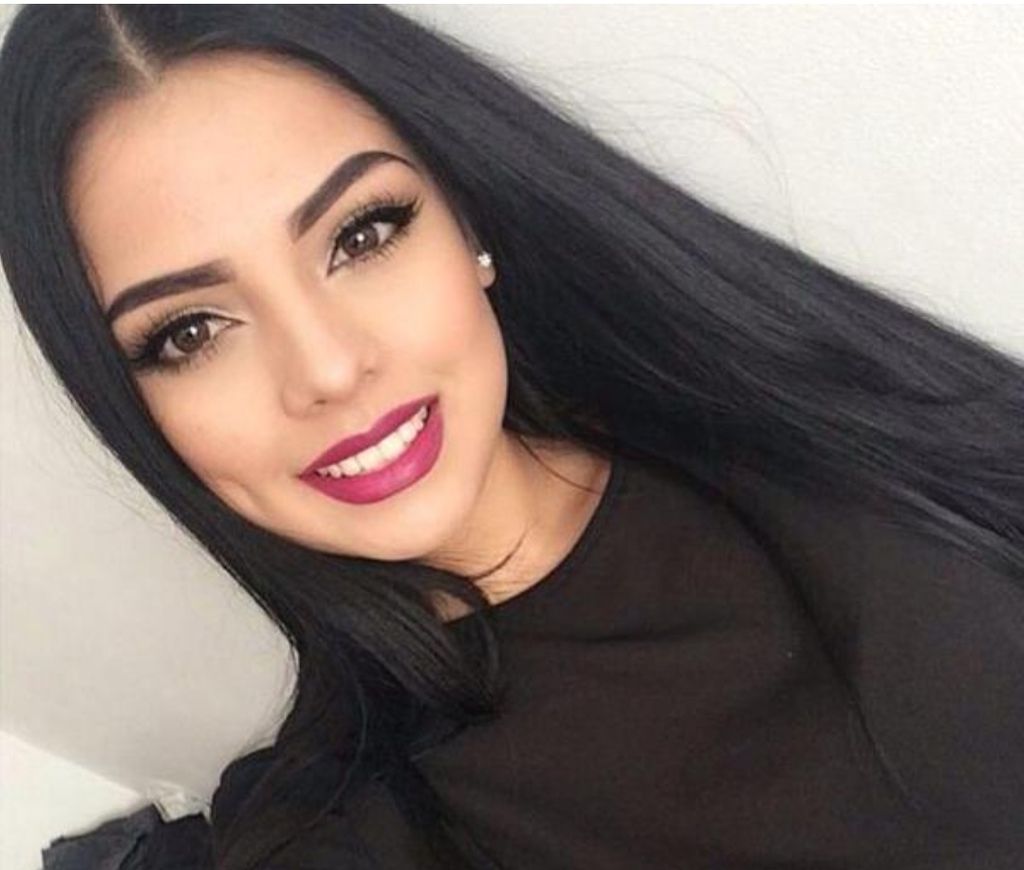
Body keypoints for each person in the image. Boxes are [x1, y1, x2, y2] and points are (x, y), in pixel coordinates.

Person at [1, 6, 1021, 870]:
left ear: (469, 225)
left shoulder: (830, 420)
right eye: (189, 333)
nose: (327, 369)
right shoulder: (331, 827)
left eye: (361, 234)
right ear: (135, 408)